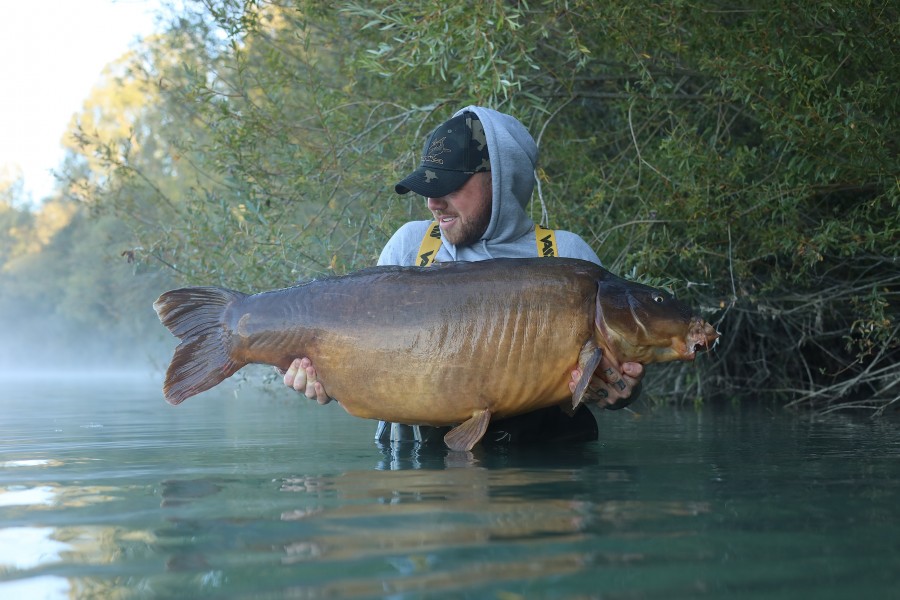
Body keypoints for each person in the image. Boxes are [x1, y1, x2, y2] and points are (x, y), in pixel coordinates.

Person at [283, 106, 644, 445]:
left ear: (501, 179)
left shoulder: (567, 256)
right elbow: (361, 348)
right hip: (420, 473)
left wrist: (620, 392)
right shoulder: (410, 246)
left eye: (449, 186)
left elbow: (617, 371)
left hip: (546, 474)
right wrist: (326, 379)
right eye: (429, 187)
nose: (433, 203)